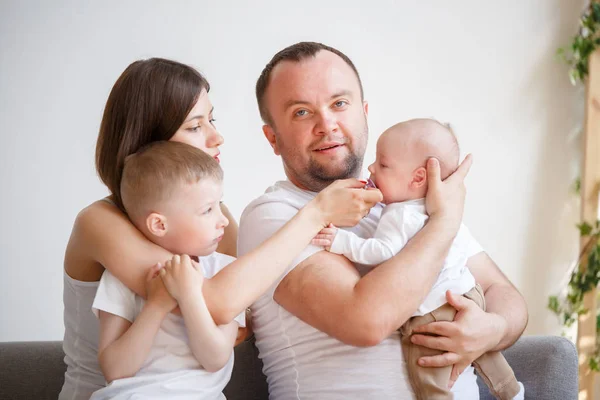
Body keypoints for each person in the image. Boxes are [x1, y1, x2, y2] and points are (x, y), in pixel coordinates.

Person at [60, 57, 379, 399]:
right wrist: (315, 214)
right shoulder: (99, 221)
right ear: (153, 141)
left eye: (211, 119)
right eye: (196, 126)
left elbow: (244, 320)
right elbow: (214, 303)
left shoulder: (217, 222)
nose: (217, 137)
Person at [238, 42, 528, 399]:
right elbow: (366, 320)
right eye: (301, 112)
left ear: (364, 113)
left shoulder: (408, 199)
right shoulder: (275, 215)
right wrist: (443, 223)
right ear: (273, 138)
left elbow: (505, 294)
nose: (326, 125)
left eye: (339, 104)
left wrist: (491, 329)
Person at [314, 119, 524, 400]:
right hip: (467, 296)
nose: (372, 168)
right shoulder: (442, 211)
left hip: (434, 312)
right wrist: (488, 328)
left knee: (428, 377)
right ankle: (513, 392)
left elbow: (381, 251)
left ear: (418, 178)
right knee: (489, 359)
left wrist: (341, 241)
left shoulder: (400, 214)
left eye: (384, 165)